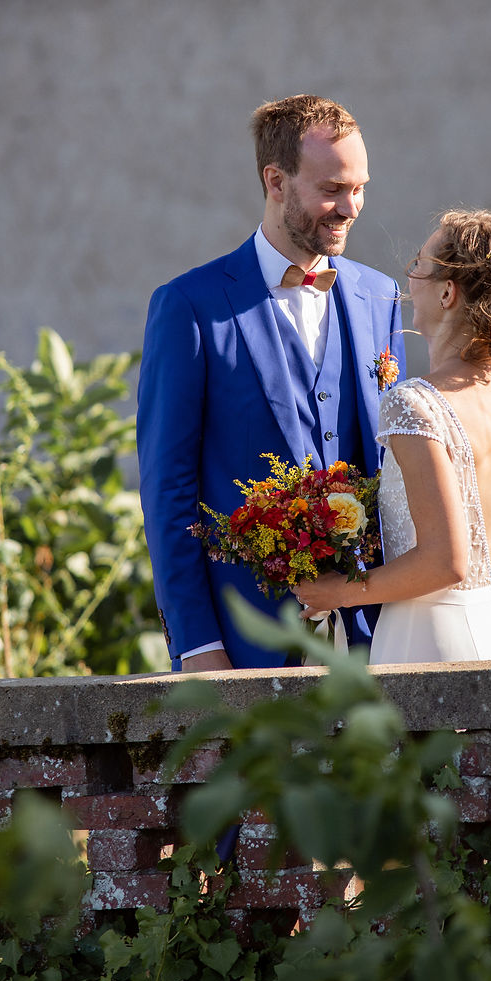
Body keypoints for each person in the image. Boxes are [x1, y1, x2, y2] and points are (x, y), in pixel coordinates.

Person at [136, 94, 406, 672]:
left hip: (371, 639)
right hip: (243, 641)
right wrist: (198, 644)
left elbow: (395, 471)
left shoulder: (378, 296)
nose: (350, 207)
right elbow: (169, 491)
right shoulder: (189, 305)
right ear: (276, 181)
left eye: (360, 188)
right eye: (332, 188)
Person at [294, 208, 491, 665]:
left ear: (448, 293)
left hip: (425, 649)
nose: (410, 277)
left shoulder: (416, 402)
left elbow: (446, 562)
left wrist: (337, 591)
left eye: (419, 263)